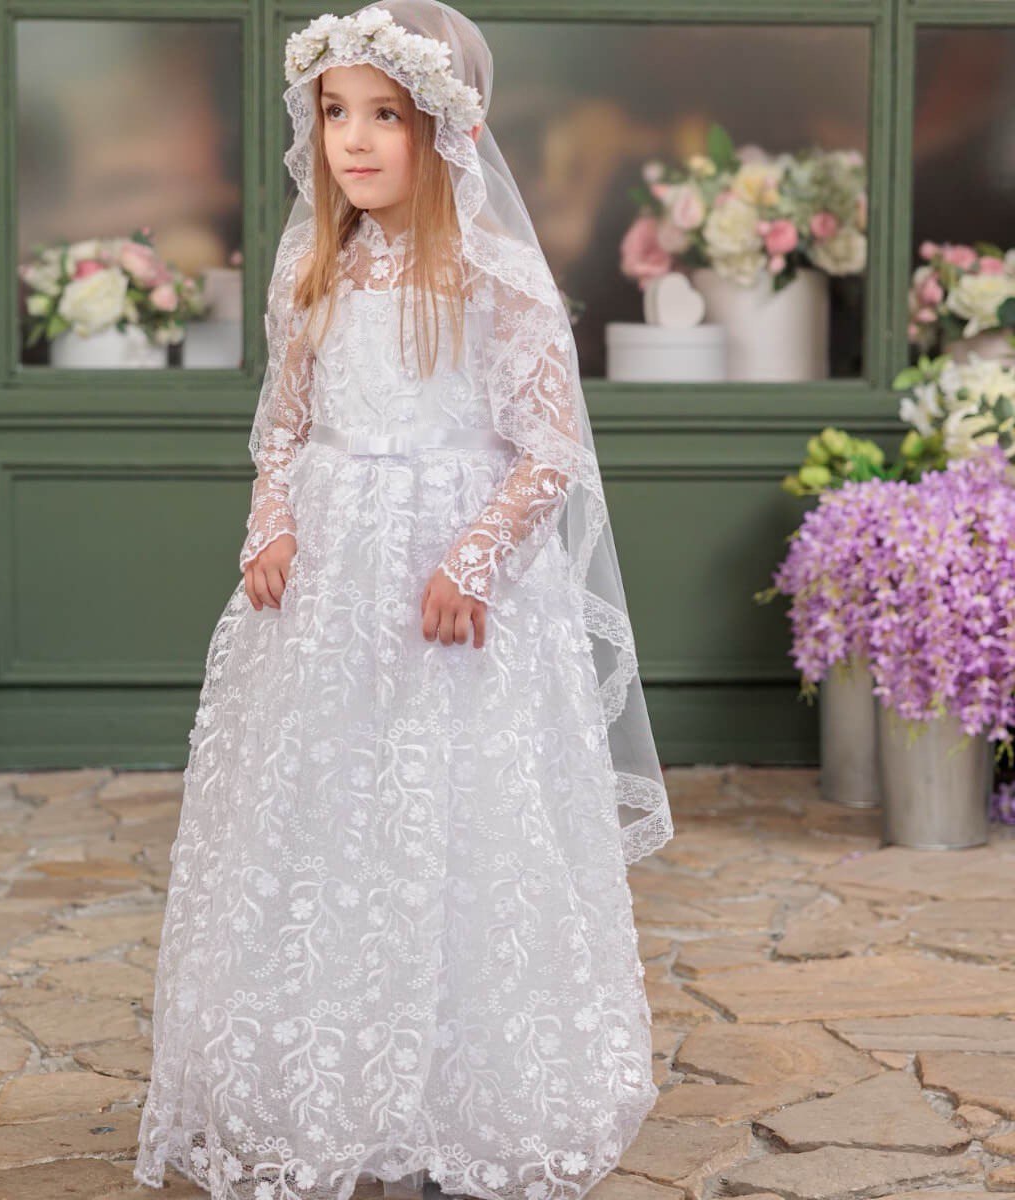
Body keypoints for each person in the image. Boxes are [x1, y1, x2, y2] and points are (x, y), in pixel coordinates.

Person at [135, 4, 674, 1200]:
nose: (355, 139)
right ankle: (322, 1080)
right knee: (327, 820)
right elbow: (285, 425)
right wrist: (270, 520)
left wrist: (473, 558)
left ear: (446, 126)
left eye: (385, 114)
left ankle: (459, 1086)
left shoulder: (494, 275)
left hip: (451, 589)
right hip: (328, 585)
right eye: (337, 113)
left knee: (452, 815)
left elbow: (548, 450)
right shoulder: (312, 271)